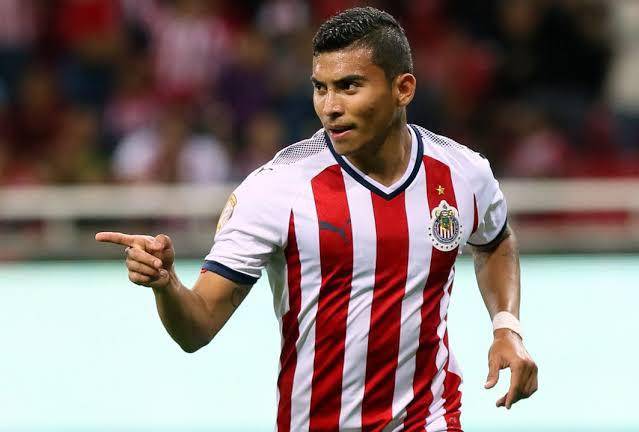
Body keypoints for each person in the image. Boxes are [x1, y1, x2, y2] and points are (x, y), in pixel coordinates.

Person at [96, 7, 537, 431]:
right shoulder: (275, 189)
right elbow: (197, 328)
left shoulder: (463, 173)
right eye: (320, 88)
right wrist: (167, 284)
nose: (330, 106)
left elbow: (496, 240)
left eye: (349, 86)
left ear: (403, 89)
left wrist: (507, 327)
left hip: (431, 419)